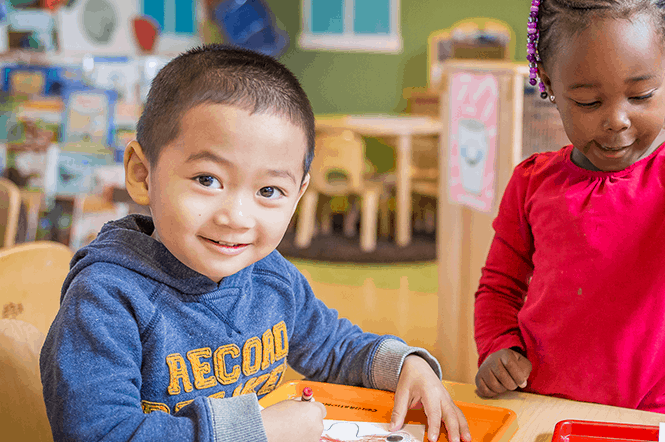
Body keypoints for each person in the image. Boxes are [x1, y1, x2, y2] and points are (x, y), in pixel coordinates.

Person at [40, 44, 470, 442]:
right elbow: (100, 434)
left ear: (299, 194)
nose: (237, 218)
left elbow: (334, 345)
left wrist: (404, 364)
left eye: (268, 191)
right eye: (207, 180)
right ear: (141, 173)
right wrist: (255, 431)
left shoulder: (270, 275)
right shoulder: (106, 300)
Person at [473, 0, 665, 419]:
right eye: (587, 102)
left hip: (659, 410)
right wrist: (497, 345)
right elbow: (498, 288)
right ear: (547, 82)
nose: (616, 119)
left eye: (640, 96)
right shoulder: (531, 182)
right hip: (543, 405)